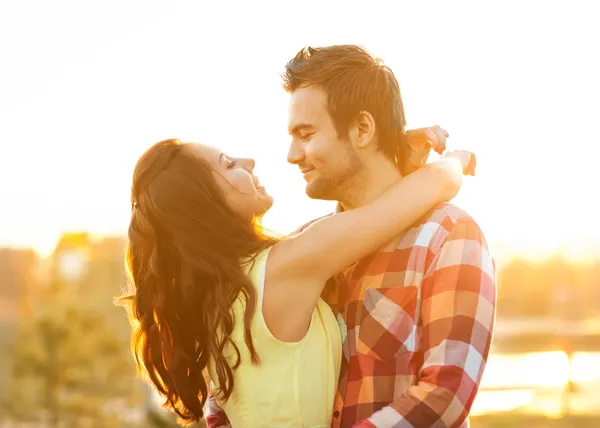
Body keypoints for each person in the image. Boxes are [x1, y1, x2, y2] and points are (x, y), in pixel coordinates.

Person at [206, 45, 496, 428]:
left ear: (362, 129)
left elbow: (445, 394)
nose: (293, 155)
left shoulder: (448, 237)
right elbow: (225, 401)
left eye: (305, 134)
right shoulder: (299, 250)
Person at [120, 131, 473, 426]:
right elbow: (425, 191)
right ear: (205, 204)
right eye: (228, 164)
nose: (248, 162)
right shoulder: (284, 267)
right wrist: (455, 160)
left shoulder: (220, 296)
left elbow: (351, 228)